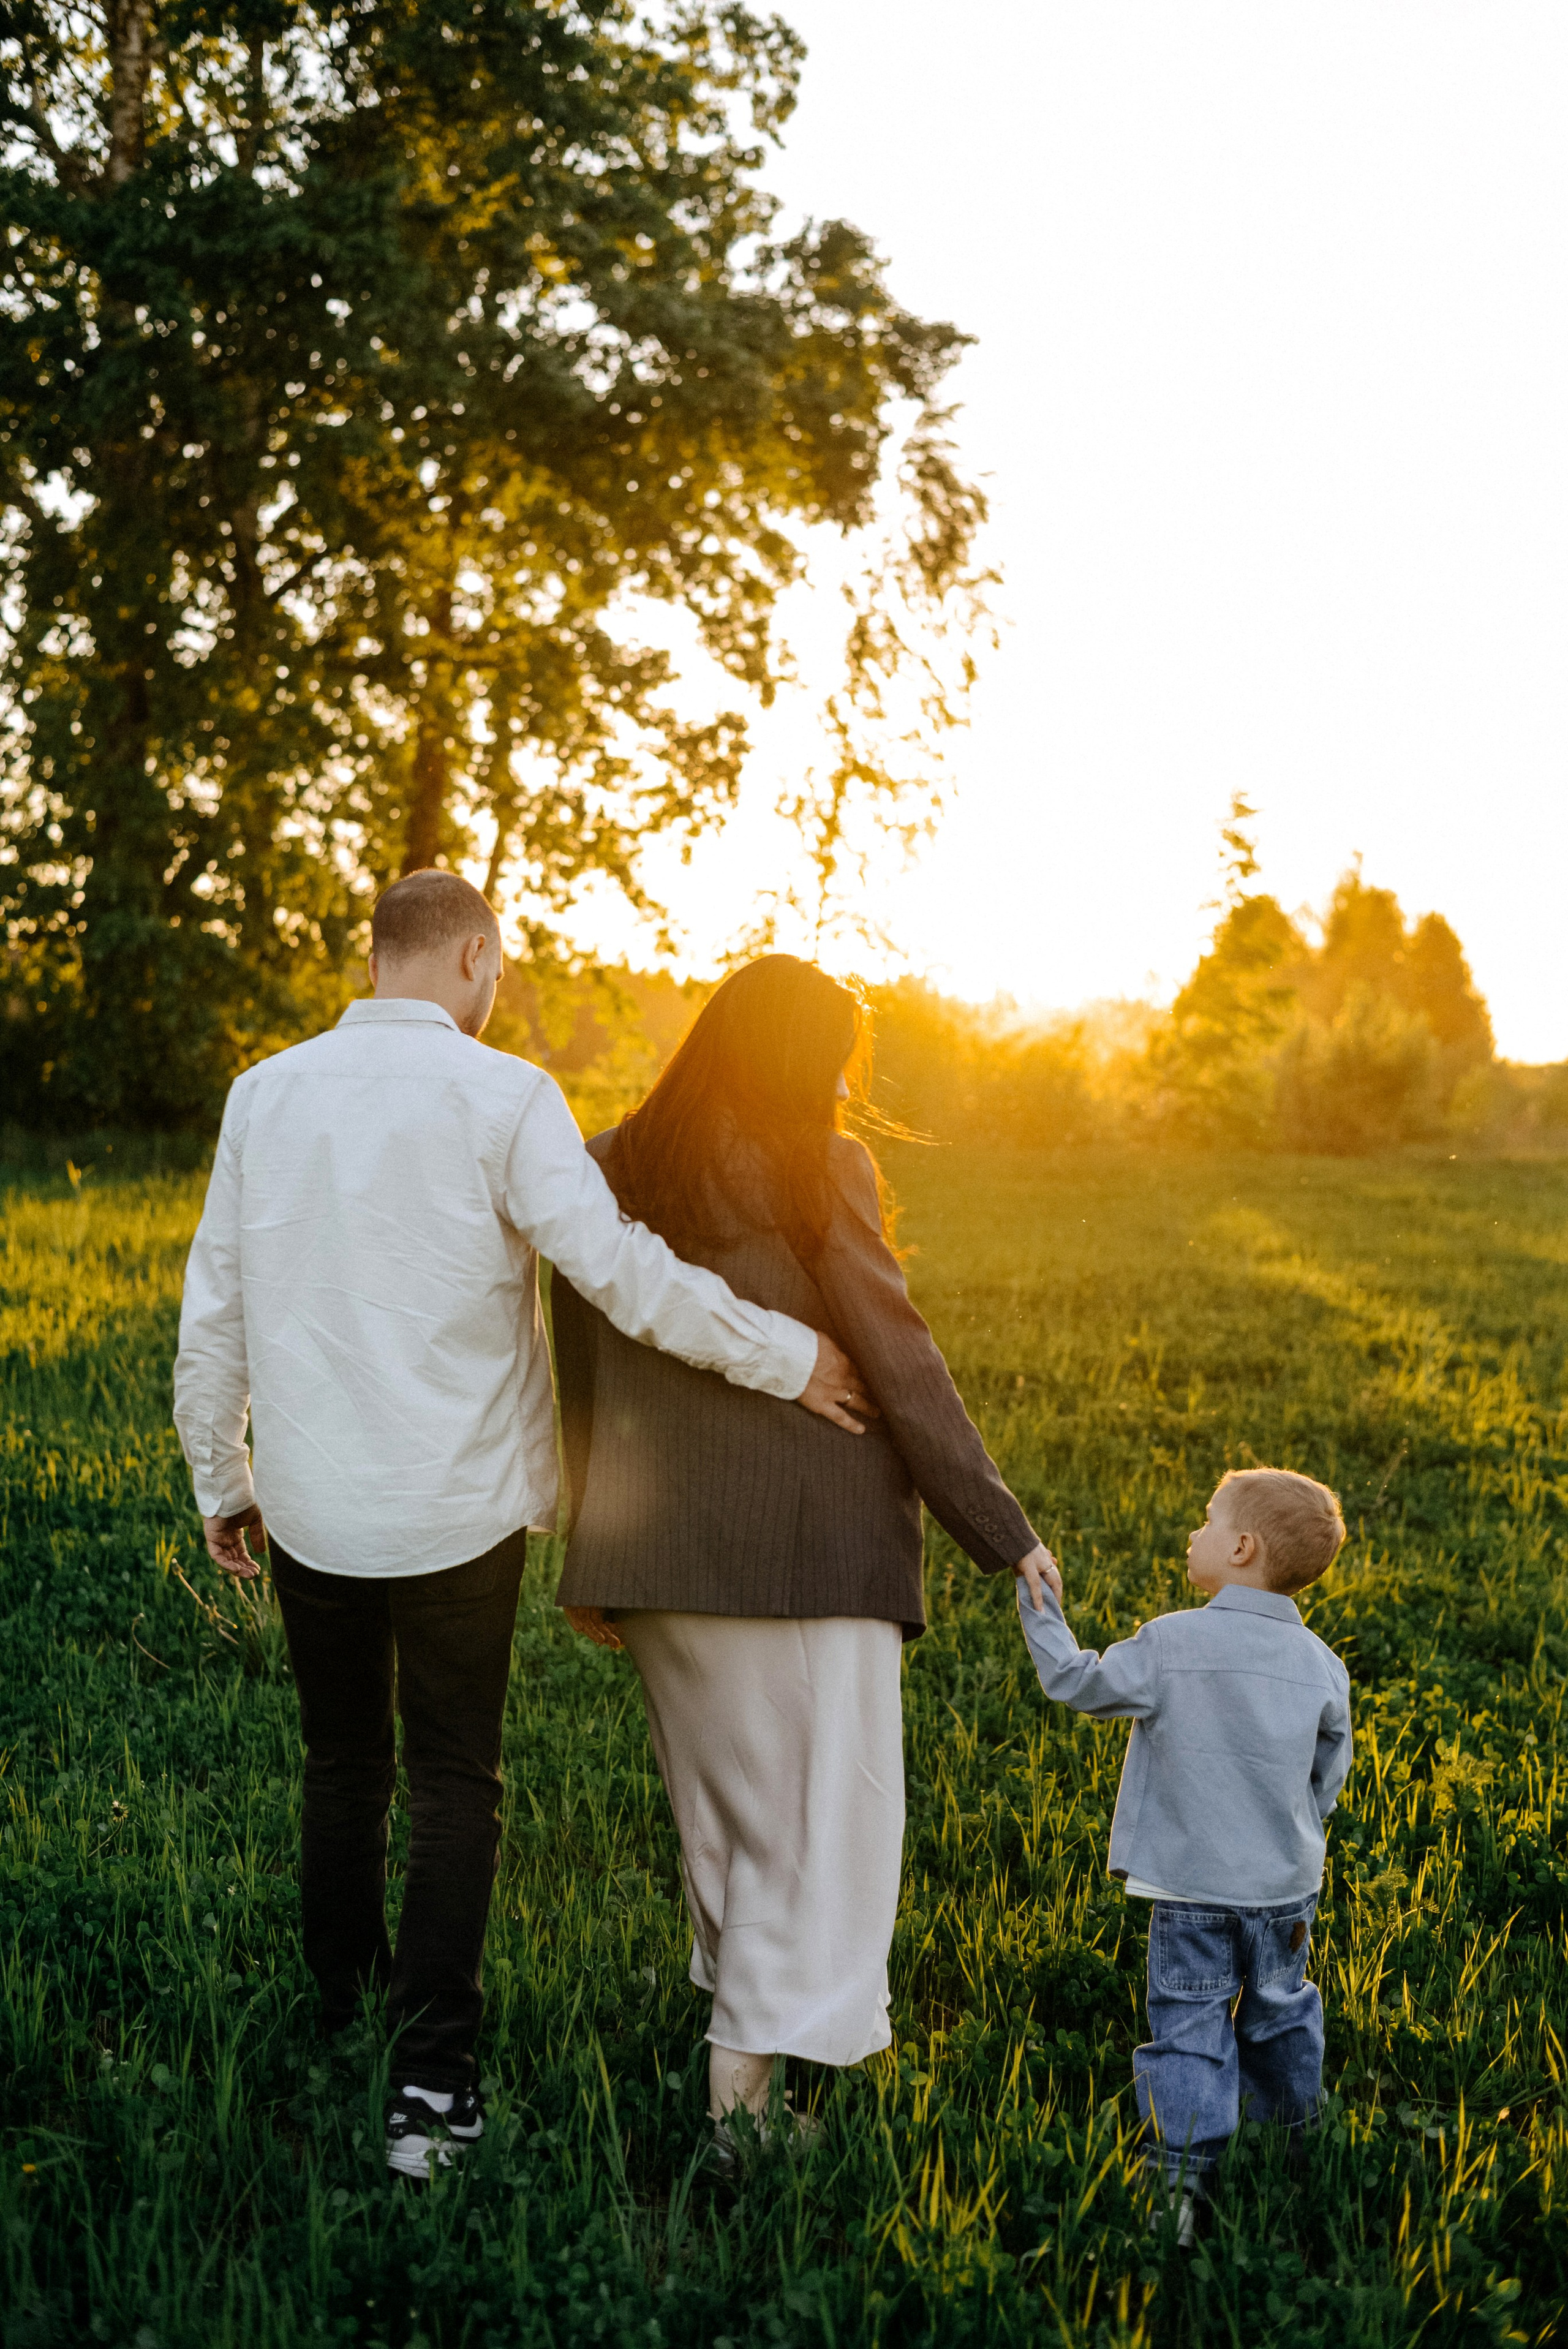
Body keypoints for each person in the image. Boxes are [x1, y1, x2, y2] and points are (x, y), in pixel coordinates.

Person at [172, 874, 873, 2181]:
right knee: (453, 1784)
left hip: (315, 1506)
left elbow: (215, 1303)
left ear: (376, 960)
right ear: (473, 960)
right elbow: (617, 1271)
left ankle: (343, 2016)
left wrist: (227, 1476)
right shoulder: (504, 1096)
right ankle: (430, 2084)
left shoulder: (264, 1093)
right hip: (458, 1511)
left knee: (341, 1764)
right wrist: (784, 1354)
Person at [551, 954, 1057, 2157]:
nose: (841, 1078)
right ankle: (740, 2116)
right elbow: (896, 1353)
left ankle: (745, 2067)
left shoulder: (607, 1159)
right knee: (815, 1827)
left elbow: (575, 1358)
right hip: (811, 1549)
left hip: (659, 1552)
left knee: (725, 1823)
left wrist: (593, 1550)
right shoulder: (816, 1163)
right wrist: (1000, 1527)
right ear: (797, 1054)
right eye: (835, 1052)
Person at [1016, 1466, 1352, 2242]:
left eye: (1206, 1522)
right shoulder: (1322, 1664)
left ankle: (1178, 2185)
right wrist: (1295, 1828)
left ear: (1240, 1547)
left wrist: (1041, 1609)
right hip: (1283, 1889)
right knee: (1279, 2010)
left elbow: (1075, 1681)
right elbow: (1325, 1779)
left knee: (1189, 2023)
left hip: (1193, 1887)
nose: (1192, 1534)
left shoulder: (1171, 1642)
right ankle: (1291, 2147)